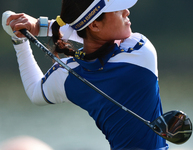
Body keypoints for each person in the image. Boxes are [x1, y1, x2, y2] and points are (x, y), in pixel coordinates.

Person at [2, 0, 169, 149]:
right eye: (118, 10)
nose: (127, 11)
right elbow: (92, 36)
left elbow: (35, 92)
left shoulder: (68, 74)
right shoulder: (141, 53)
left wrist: (20, 40)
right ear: (95, 25)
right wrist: (41, 26)